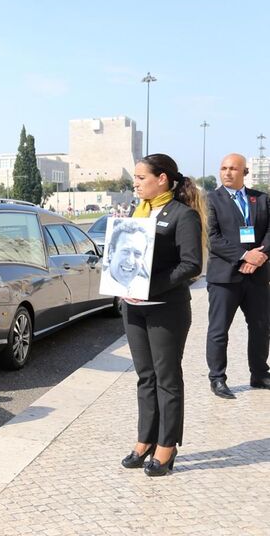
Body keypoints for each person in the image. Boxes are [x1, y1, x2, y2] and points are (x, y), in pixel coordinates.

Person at [120, 154, 206, 477]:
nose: (136, 183)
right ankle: (145, 440)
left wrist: (149, 288)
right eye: (135, 178)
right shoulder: (136, 212)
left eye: (141, 177)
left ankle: (167, 447)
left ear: (162, 179)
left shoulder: (183, 215)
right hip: (133, 309)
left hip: (166, 309)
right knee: (145, 377)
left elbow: (191, 265)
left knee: (167, 379)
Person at [205, 153, 270, 398]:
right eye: (223, 168)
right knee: (219, 330)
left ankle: (260, 374)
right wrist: (245, 256)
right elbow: (212, 238)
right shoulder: (210, 200)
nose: (227, 173)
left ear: (245, 172)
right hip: (224, 278)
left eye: (233, 168)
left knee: (261, 327)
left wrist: (260, 256)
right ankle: (217, 378)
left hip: (257, 276)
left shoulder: (261, 199)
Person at [101, 220, 151, 299]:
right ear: (111, 252)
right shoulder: (100, 286)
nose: (130, 261)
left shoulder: (144, 287)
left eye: (137, 254)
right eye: (125, 251)